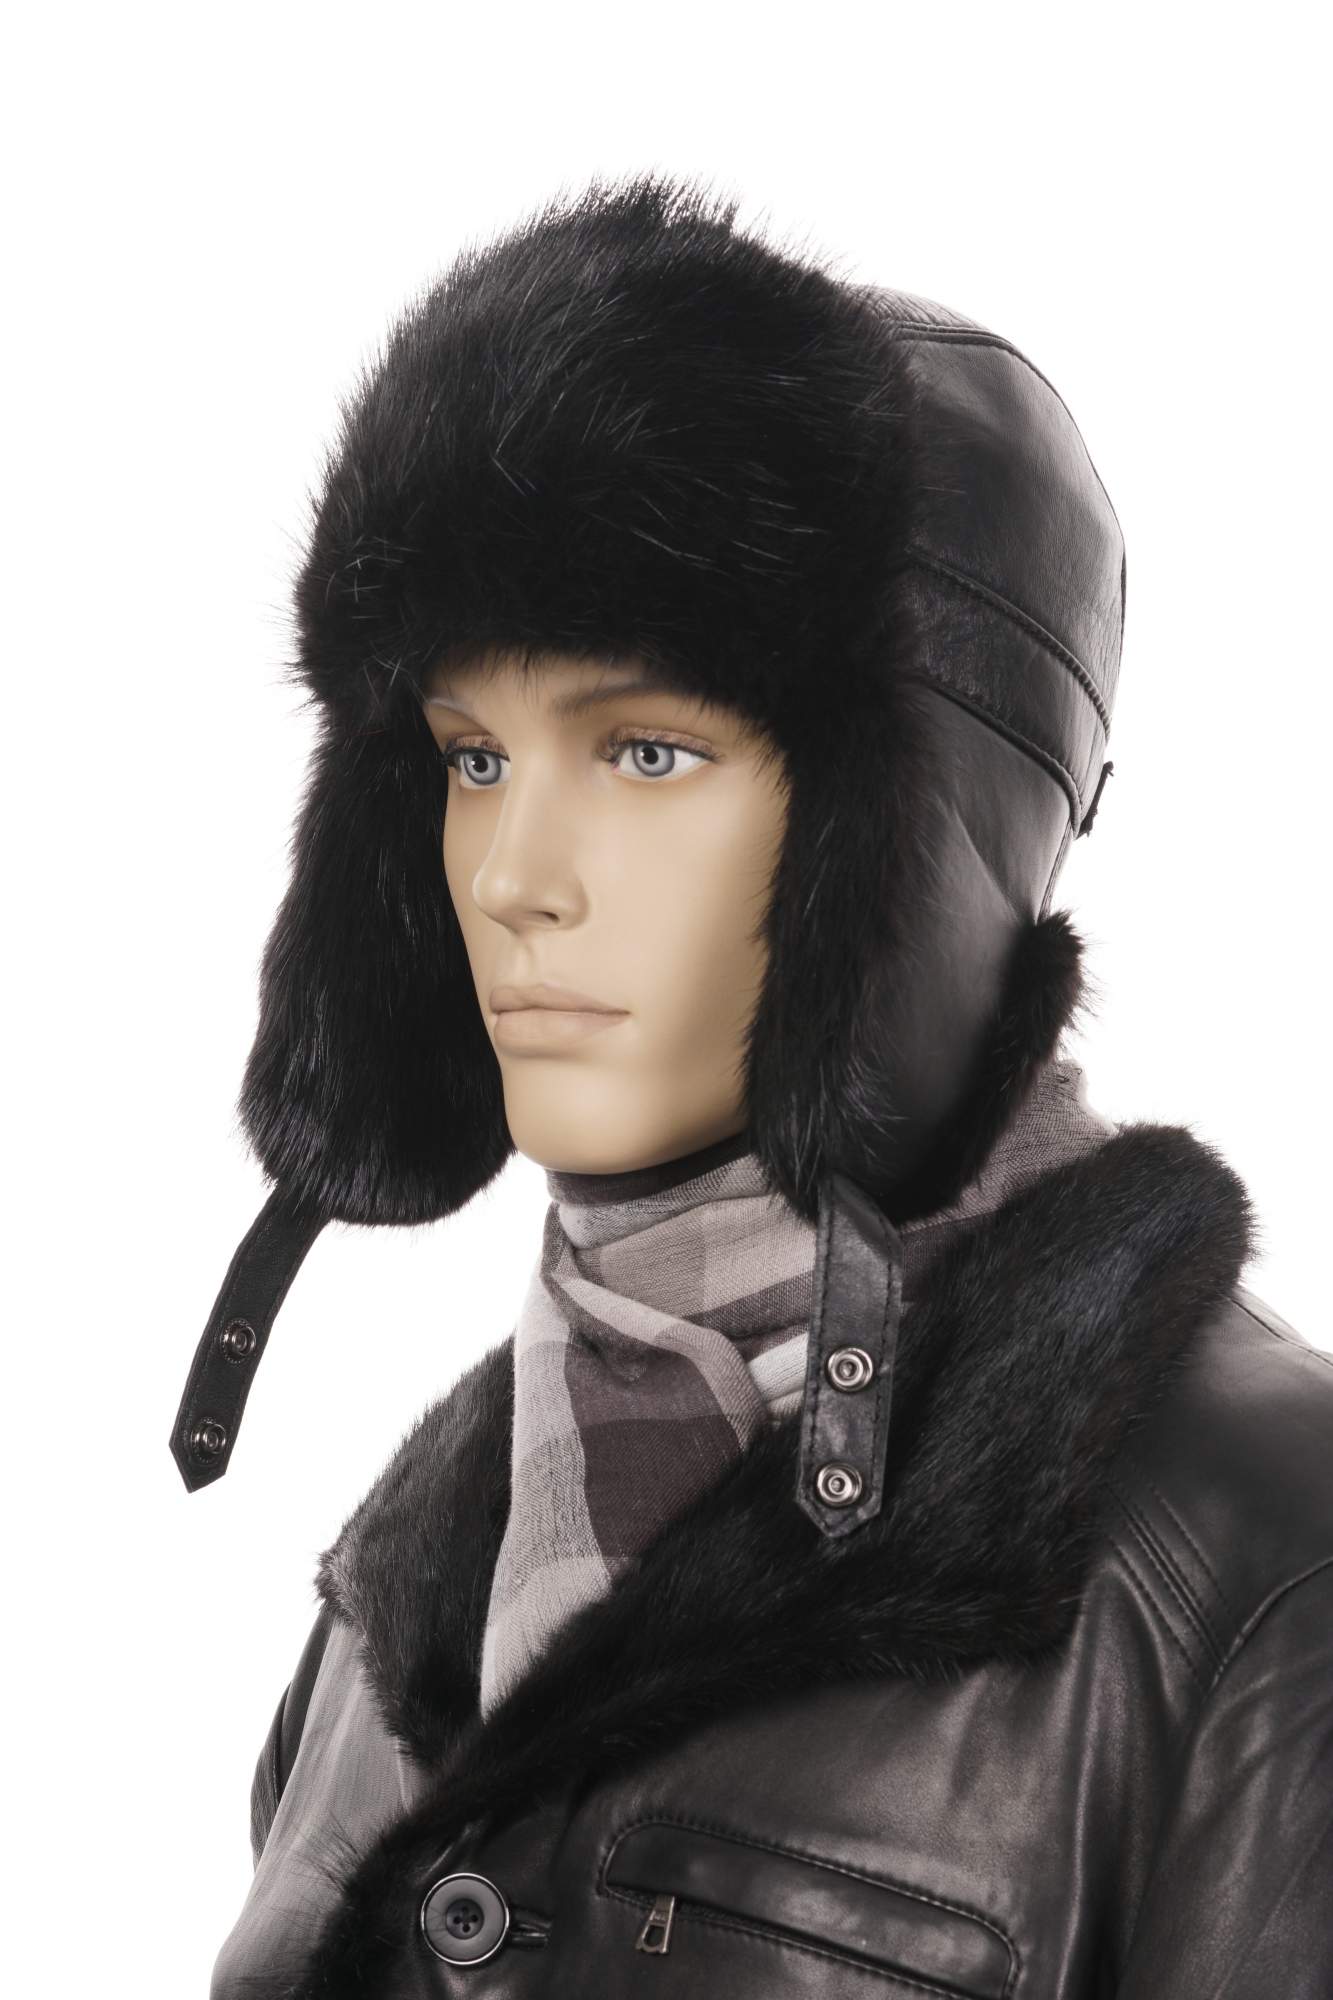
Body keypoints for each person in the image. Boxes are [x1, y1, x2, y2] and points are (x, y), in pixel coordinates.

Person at [176, 171, 1333, 1997]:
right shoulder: (399, 1592)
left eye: (644, 751)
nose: (511, 874)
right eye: (471, 758)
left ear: (916, 848)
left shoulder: (1259, 1565)